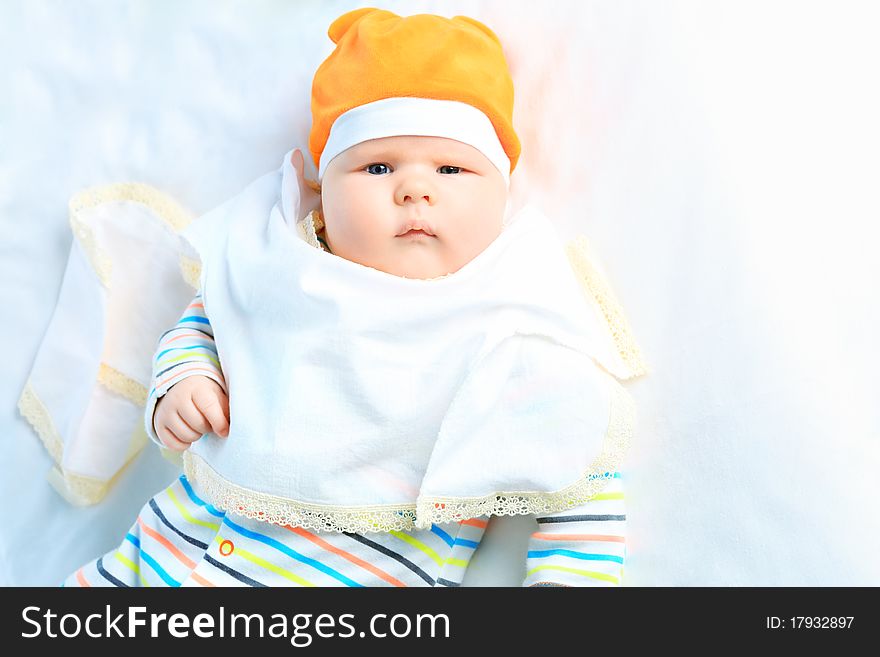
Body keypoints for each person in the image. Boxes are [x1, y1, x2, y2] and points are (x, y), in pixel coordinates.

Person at [64, 7, 644, 588]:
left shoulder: (512, 325)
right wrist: (184, 382)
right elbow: (208, 320)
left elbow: (579, 474)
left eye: (451, 168)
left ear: (502, 195)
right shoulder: (284, 268)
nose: (414, 188)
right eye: (376, 166)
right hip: (161, 553)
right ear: (323, 192)